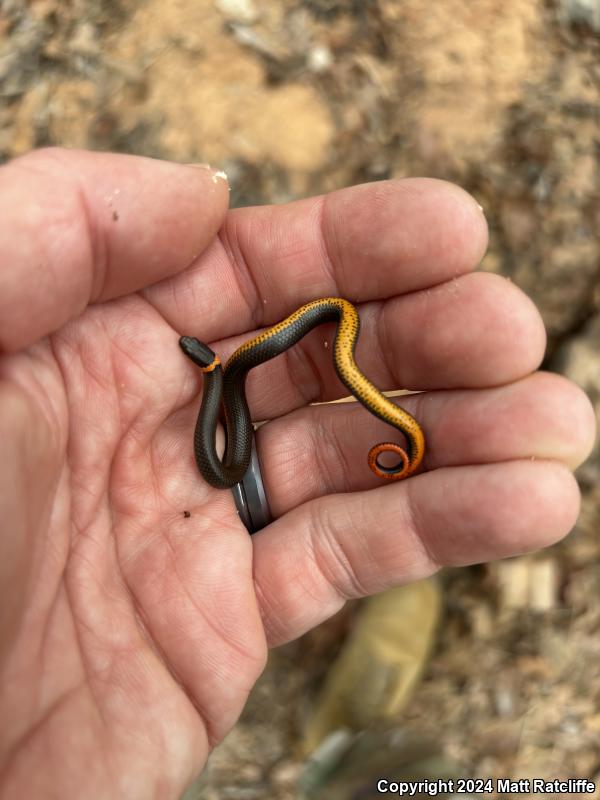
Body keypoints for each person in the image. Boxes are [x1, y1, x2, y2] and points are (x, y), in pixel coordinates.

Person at [0, 148, 594, 798]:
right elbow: (226, 437)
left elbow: (231, 416)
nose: (203, 357)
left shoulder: (227, 375)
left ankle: (362, 761)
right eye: (205, 359)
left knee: (313, 355)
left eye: (201, 358)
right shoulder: (219, 386)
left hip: (321, 324)